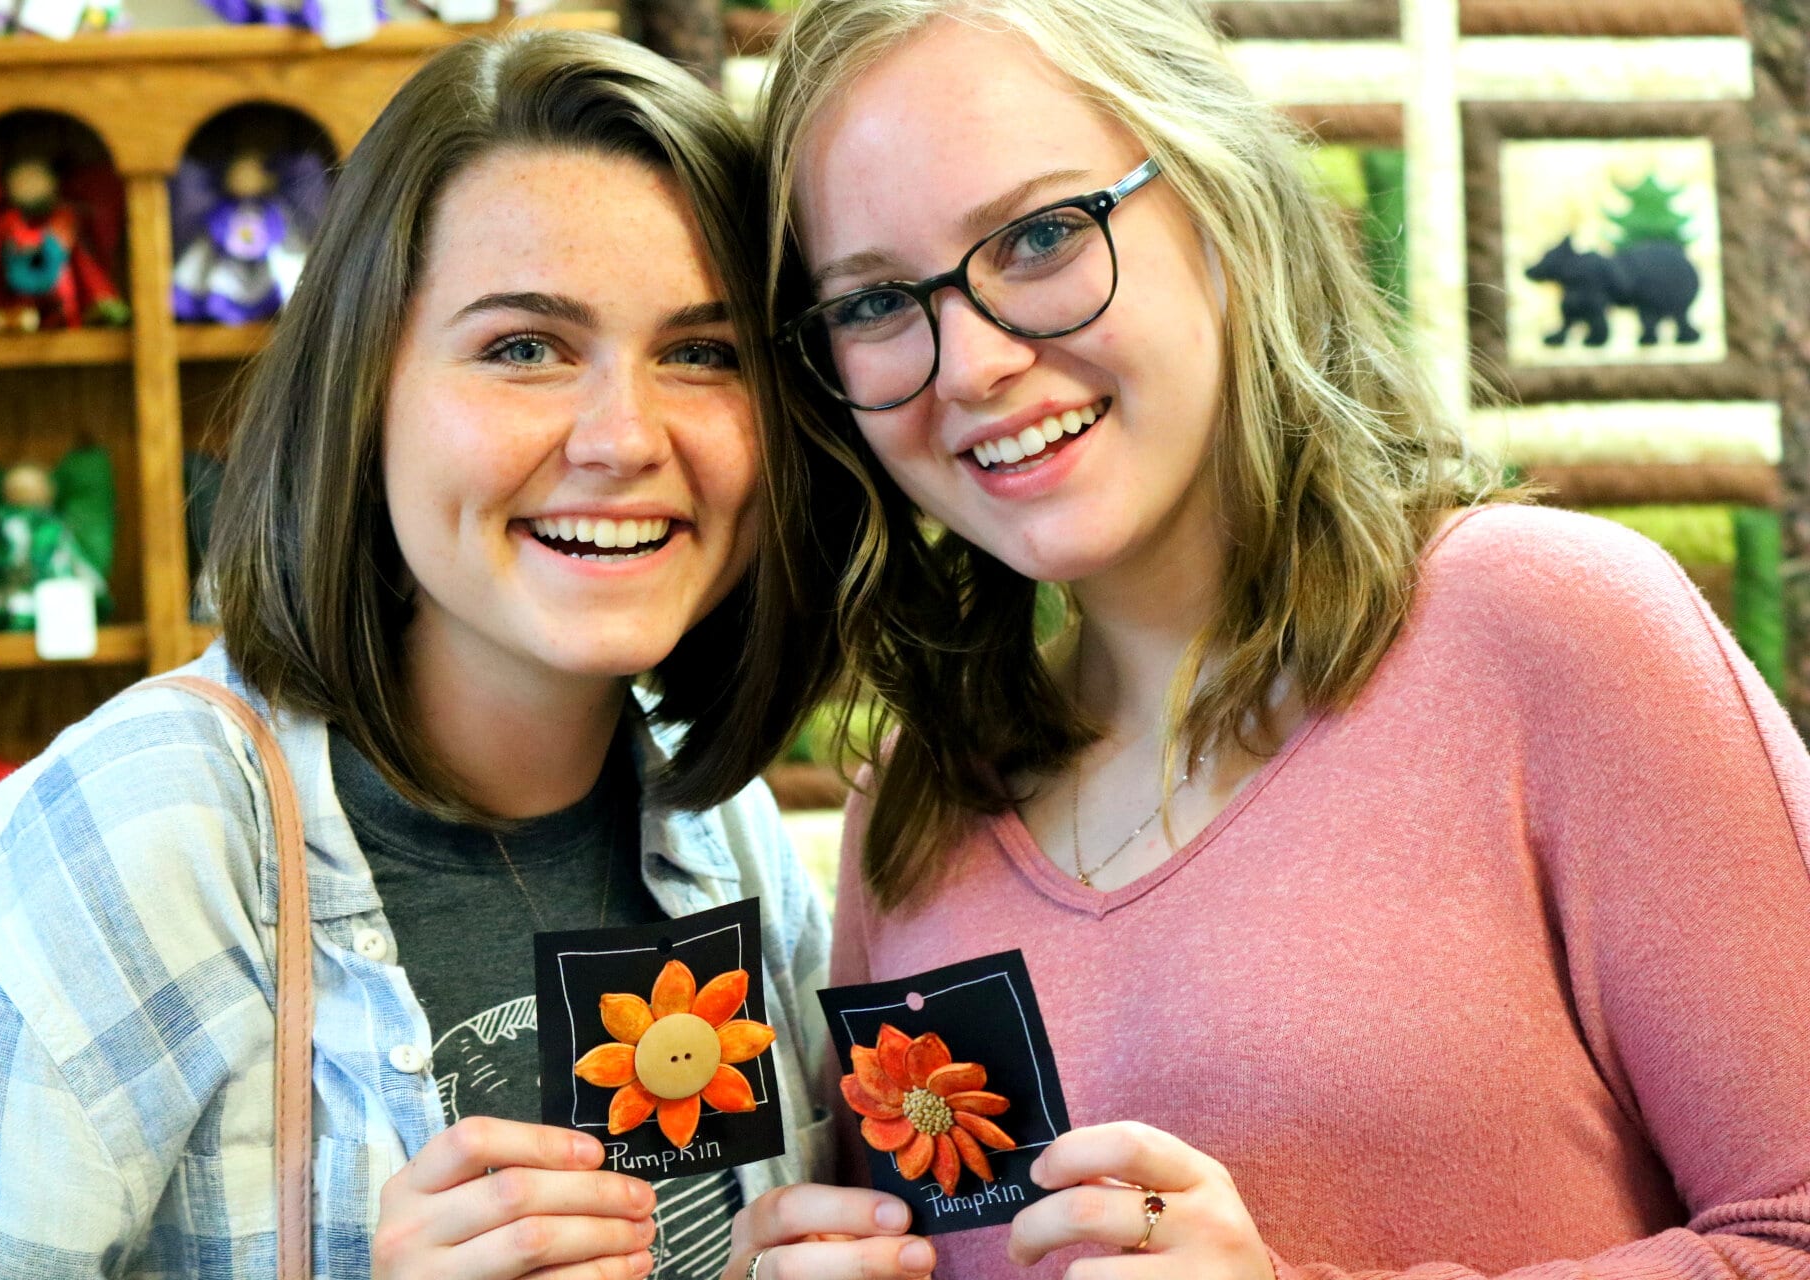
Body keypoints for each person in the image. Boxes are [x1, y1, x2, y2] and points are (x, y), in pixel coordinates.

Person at [754, 1, 1810, 1278]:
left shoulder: (1559, 627)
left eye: (1039, 236)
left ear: (1224, 206)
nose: (969, 364)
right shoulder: (909, 810)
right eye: (873, 302)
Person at [0, 30, 932, 1280]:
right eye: (523, 347)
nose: (622, 436)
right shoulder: (116, 853)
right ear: (365, 389)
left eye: (703, 352)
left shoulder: (727, 837)